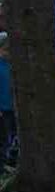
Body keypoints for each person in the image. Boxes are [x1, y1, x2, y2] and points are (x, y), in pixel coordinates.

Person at [0, 32, 15, 168]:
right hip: (3, 109)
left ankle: (12, 160)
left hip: (14, 107)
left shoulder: (14, 65)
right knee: (4, 137)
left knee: (15, 135)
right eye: (6, 50)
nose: (9, 53)